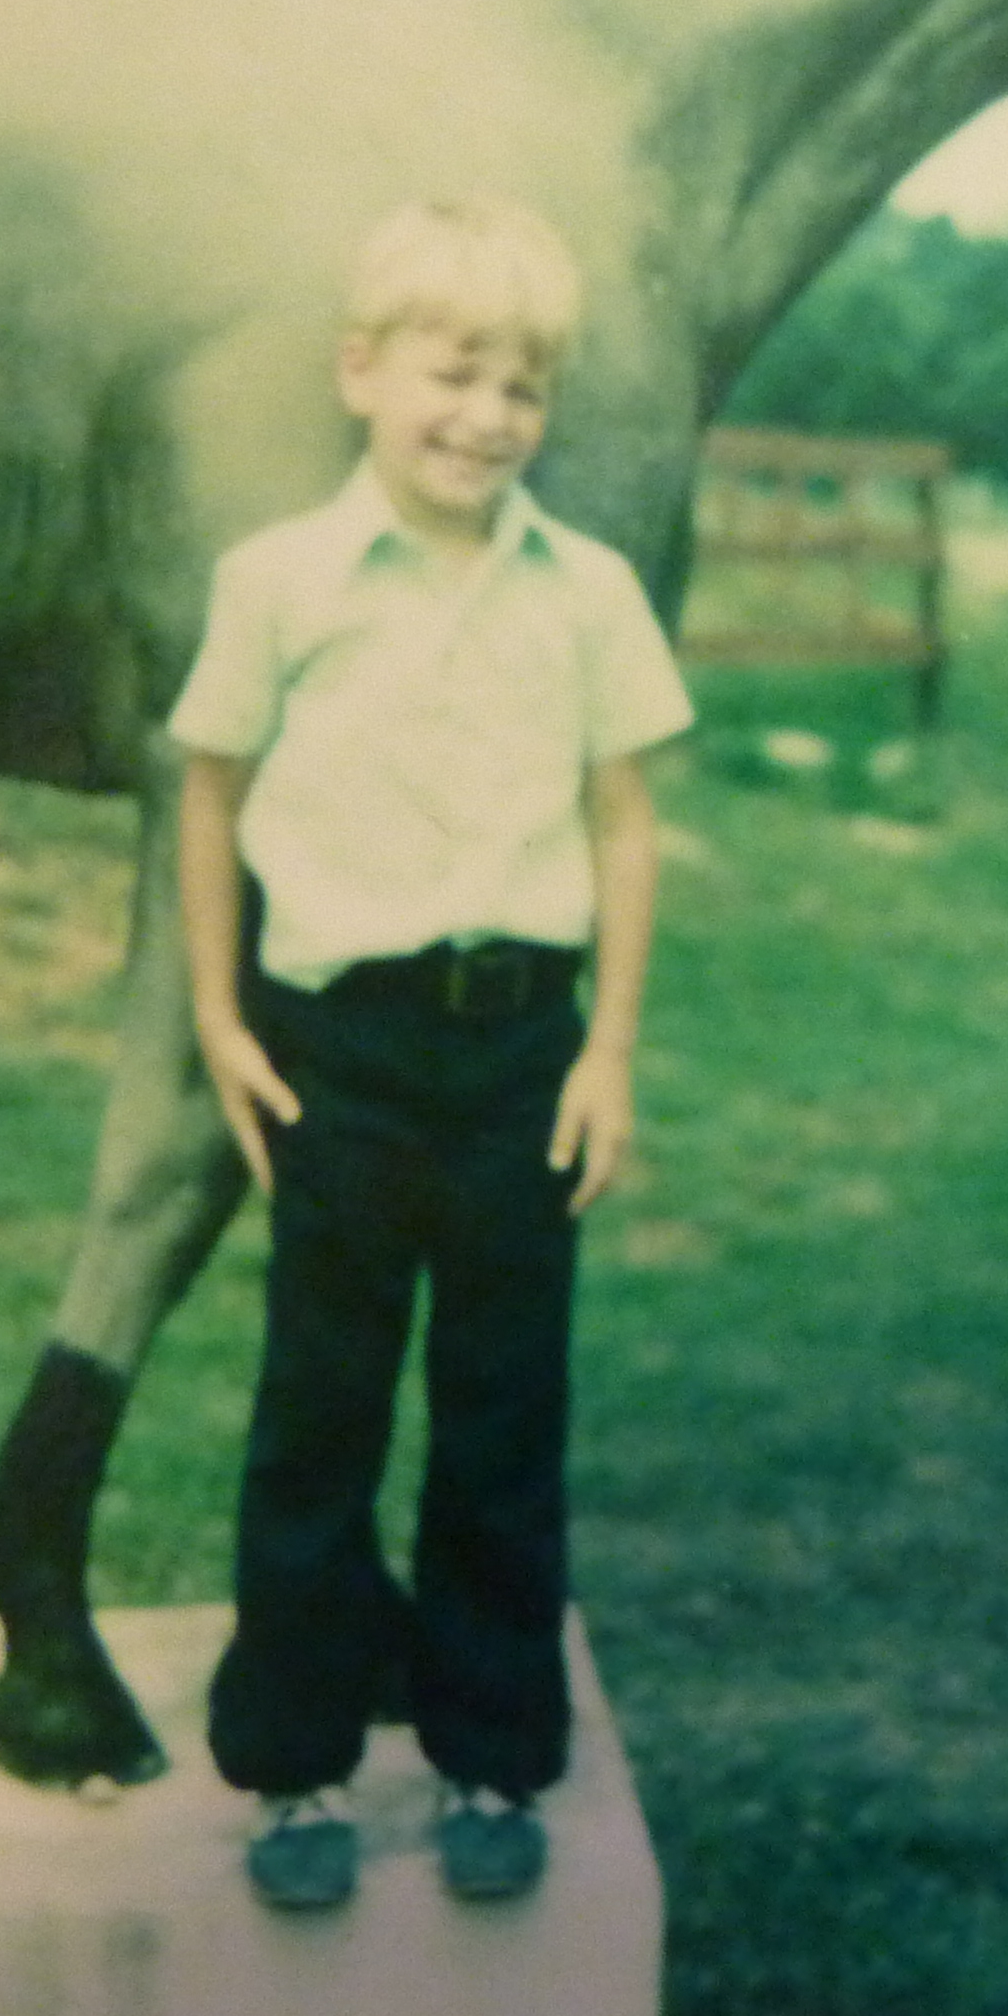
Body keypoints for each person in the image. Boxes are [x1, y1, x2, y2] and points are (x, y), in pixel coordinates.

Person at [167, 194, 690, 1910]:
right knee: (318, 1408)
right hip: (340, 1054)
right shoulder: (278, 583)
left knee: (502, 1414)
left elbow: (624, 821)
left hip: (522, 1054)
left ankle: (490, 1756)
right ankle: (297, 1768)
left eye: (521, 387)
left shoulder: (589, 593)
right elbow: (211, 794)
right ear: (362, 373)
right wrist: (221, 1018)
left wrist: (609, 1053)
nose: (486, 417)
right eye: (453, 375)